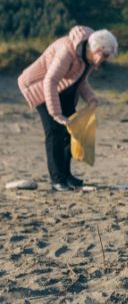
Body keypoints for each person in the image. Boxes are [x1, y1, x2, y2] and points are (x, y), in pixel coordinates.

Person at [18, 26, 118, 191]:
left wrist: (91, 98)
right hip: (40, 87)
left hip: (62, 89)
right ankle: (57, 180)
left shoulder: (89, 57)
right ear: (97, 49)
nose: (105, 60)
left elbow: (81, 81)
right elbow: (49, 81)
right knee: (55, 132)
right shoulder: (68, 50)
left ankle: (66, 175)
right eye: (105, 55)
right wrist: (56, 114)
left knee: (71, 131)